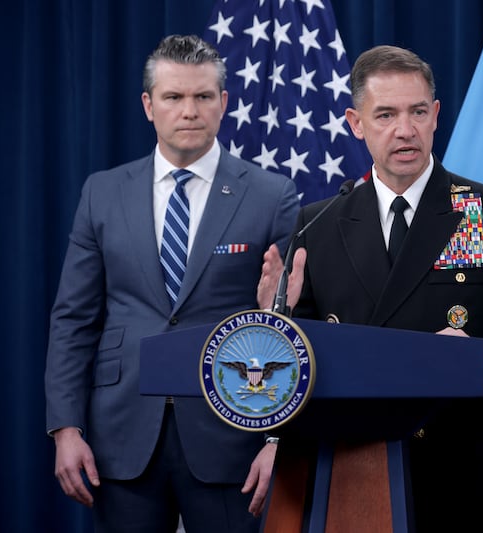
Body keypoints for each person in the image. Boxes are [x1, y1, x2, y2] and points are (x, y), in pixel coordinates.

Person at [257, 45, 483, 532]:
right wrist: (276, 321)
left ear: (436, 115)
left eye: (418, 111)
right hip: (354, 472)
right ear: (355, 123)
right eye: (385, 114)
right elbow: (302, 365)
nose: (405, 130)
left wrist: (475, 358)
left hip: (465, 473)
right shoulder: (314, 226)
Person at [45, 34, 299, 533]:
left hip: (231, 438)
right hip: (120, 437)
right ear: (148, 105)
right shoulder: (102, 193)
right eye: (173, 97)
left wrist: (278, 441)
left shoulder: (273, 196)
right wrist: (65, 428)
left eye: (203, 97)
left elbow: (293, 327)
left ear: (224, 103)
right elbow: (73, 320)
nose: (189, 110)